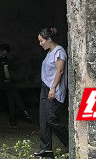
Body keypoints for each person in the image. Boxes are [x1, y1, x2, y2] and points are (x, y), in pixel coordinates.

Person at [34, 27, 69, 158]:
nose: (40, 43)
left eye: (41, 41)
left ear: (49, 39)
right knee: (43, 120)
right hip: (45, 88)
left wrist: (53, 88)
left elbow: (59, 71)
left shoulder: (59, 51)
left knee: (51, 118)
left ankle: (70, 141)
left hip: (53, 89)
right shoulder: (50, 52)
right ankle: (46, 151)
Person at [0, 43, 32, 125]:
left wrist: (8, 79)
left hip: (2, 81)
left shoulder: (4, 58)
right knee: (11, 87)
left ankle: (12, 117)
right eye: (3, 54)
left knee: (10, 91)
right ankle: (23, 111)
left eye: (5, 55)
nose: (4, 56)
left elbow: (6, 70)